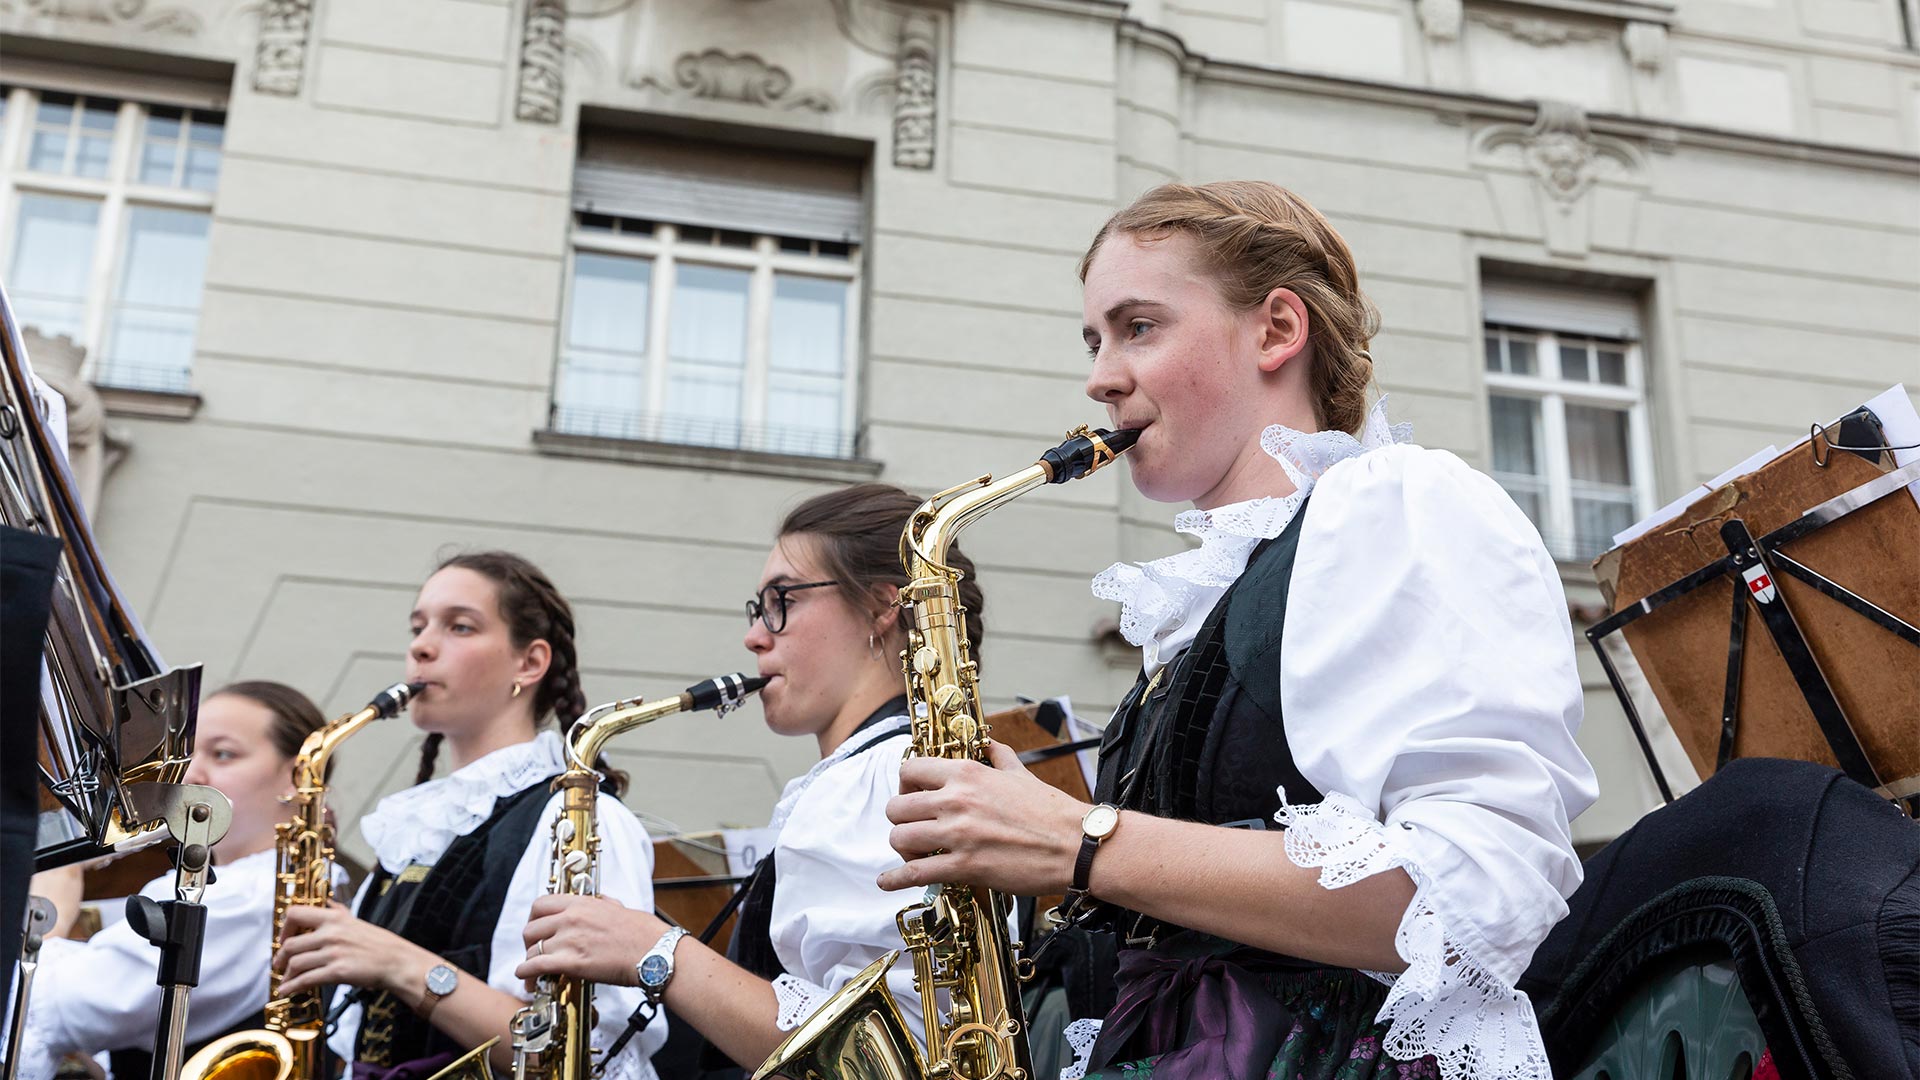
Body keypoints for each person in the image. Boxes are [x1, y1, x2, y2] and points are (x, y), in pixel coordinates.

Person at [877, 181, 1599, 1080]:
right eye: (1095, 339)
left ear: (1276, 331)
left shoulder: (1397, 502)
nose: (1099, 377)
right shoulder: (1210, 602)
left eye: (1138, 326)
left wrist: (1082, 842)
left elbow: (1472, 899)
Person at [515, 484, 987, 1072]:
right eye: (758, 608)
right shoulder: (885, 772)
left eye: (781, 600)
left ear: (881, 606)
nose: (755, 634)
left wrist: (651, 949)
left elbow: (882, 1057)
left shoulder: (877, 781)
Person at [273, 551, 664, 1080]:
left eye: (459, 626)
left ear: (529, 663)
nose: (420, 646)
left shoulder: (576, 823)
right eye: (418, 626)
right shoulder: (417, 826)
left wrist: (396, 962)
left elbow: (587, 1057)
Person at [9, 682, 331, 1080]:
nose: (193, 773)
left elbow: (54, 1005)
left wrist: (49, 915)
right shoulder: (245, 886)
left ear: (298, 776)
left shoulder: (249, 895)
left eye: (224, 754)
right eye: (191, 753)